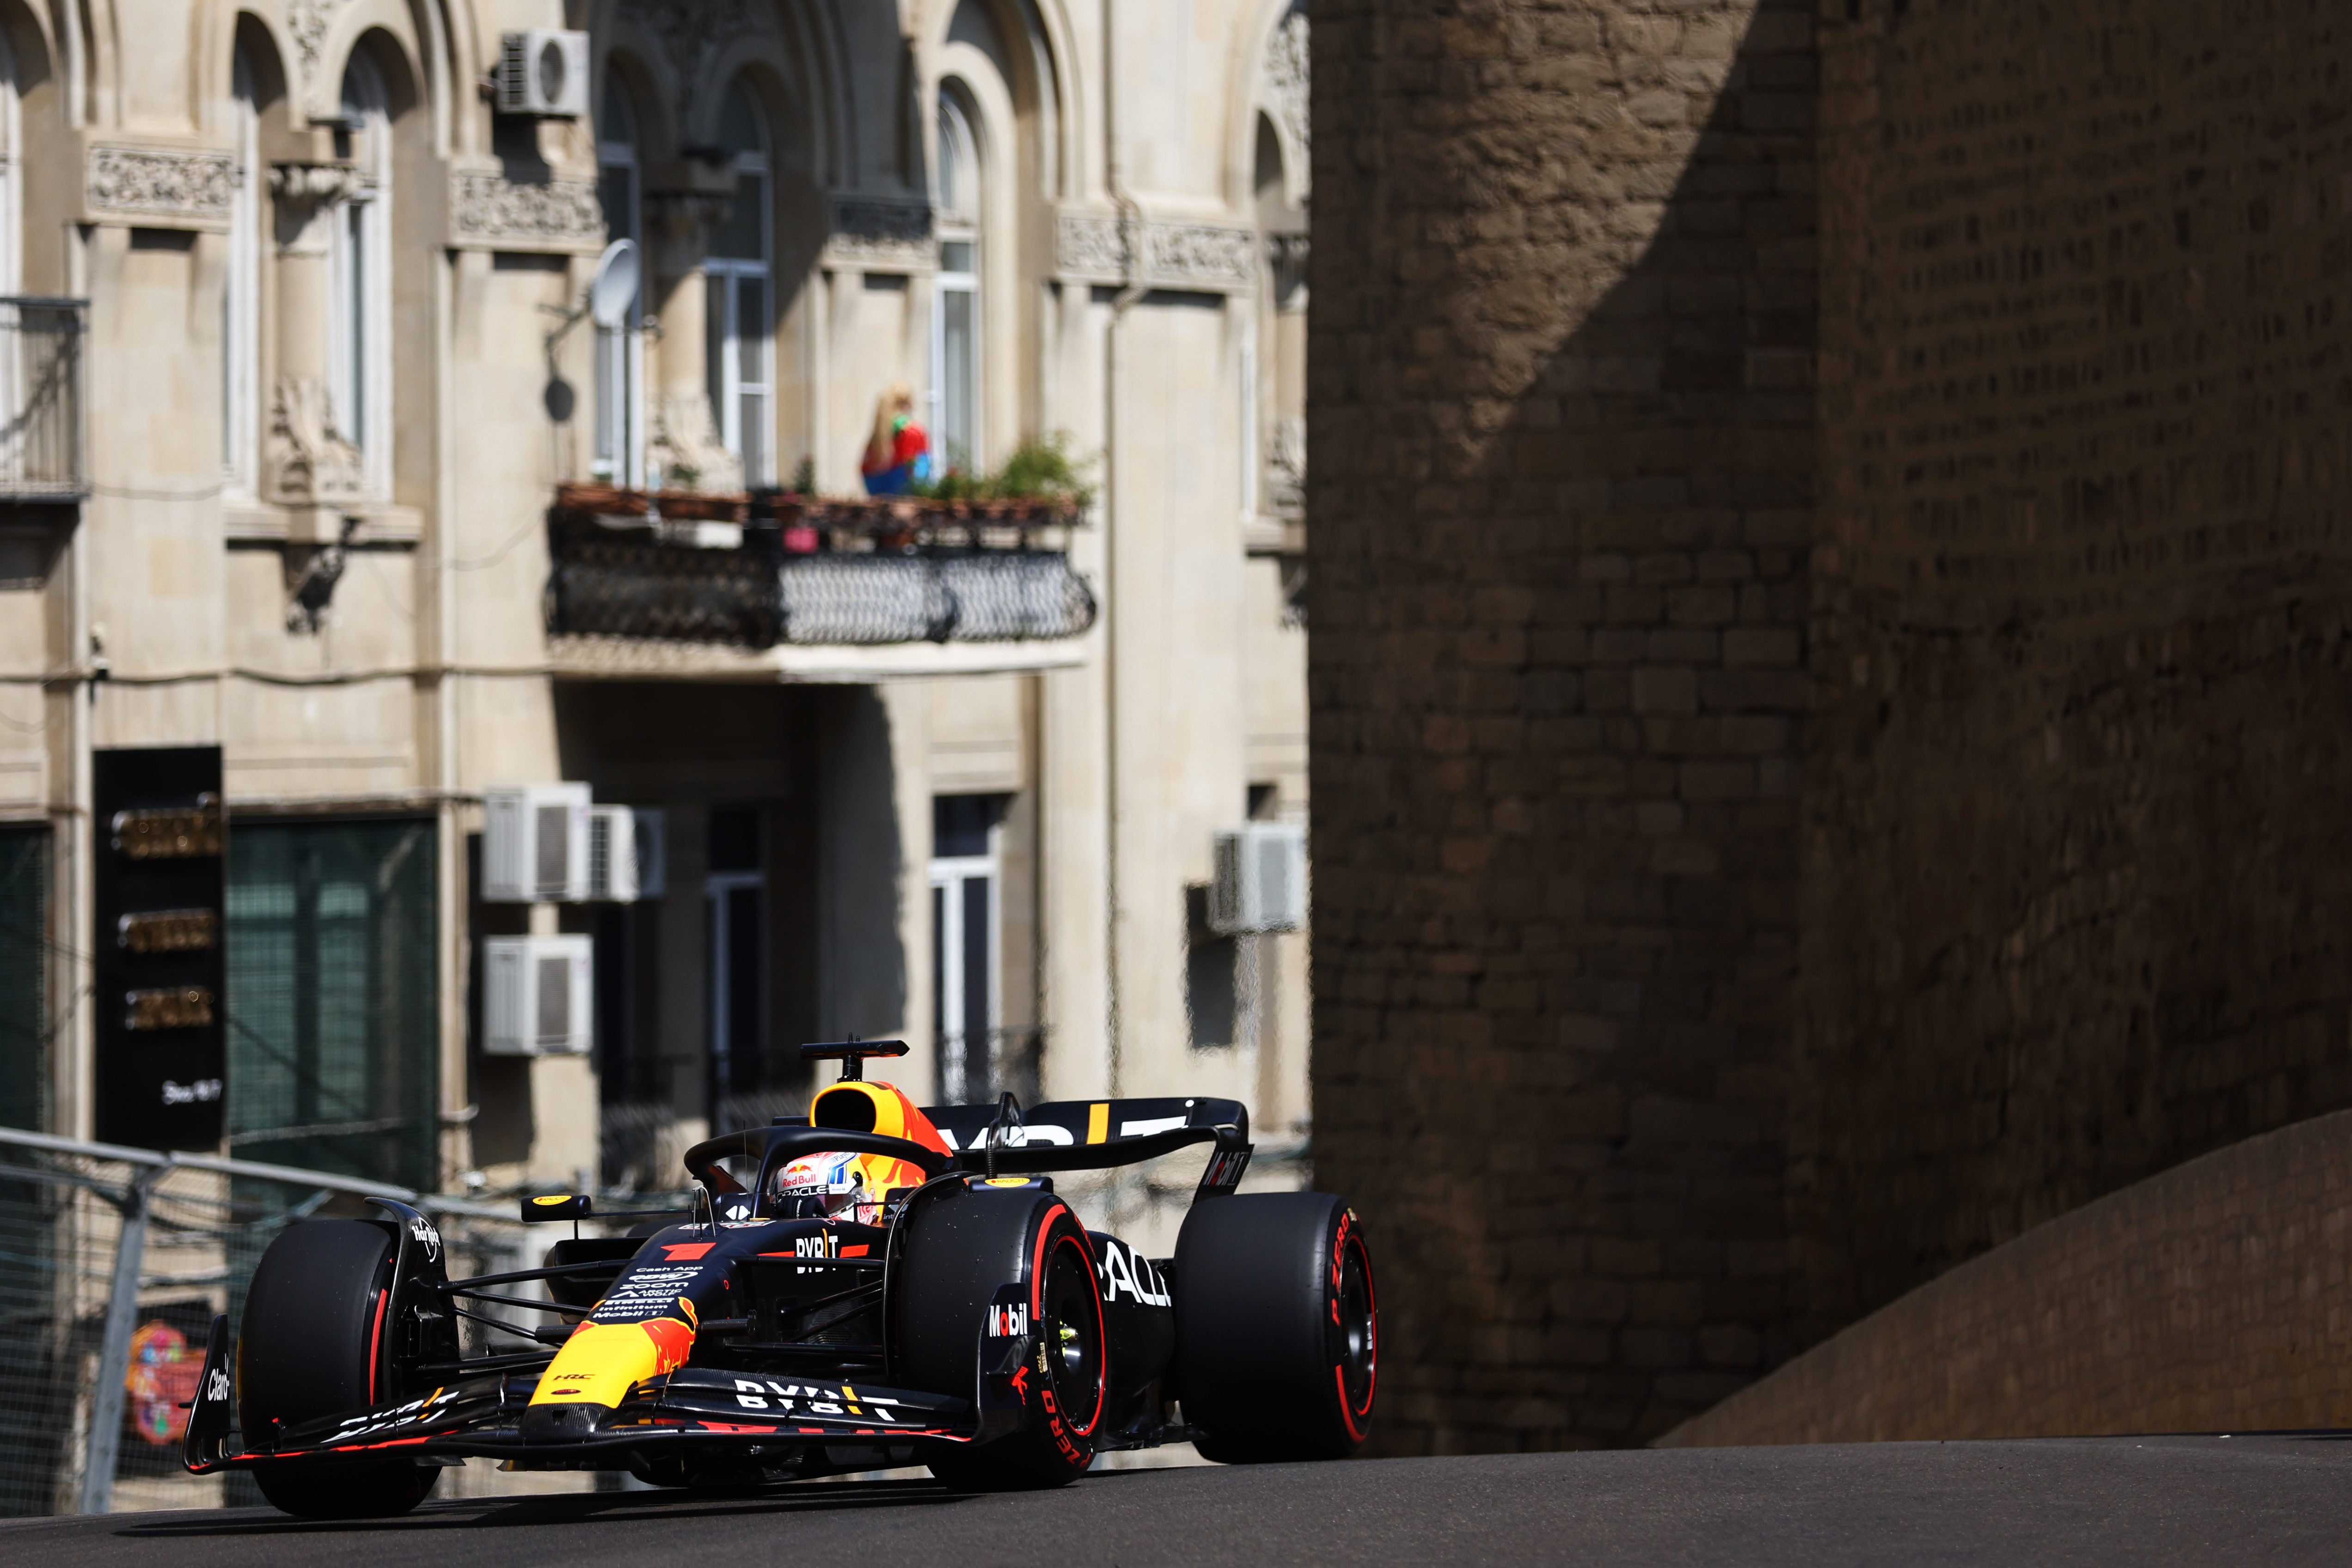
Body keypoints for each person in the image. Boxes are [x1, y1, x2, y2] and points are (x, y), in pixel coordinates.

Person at [859, 382, 933, 495]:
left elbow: (867, 472)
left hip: (879, 505)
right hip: (906, 505)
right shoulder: (913, 432)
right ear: (909, 404)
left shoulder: (878, 434)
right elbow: (920, 477)